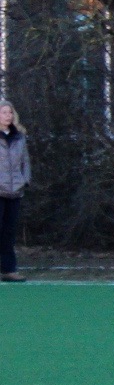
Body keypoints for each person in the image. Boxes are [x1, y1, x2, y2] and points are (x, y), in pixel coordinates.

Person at [0, 100, 26, 282]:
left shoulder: (19, 137)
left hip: (14, 190)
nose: (8, 116)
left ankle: (9, 269)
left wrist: (24, 181)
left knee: (9, 231)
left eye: (10, 112)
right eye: (4, 112)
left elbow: (25, 161)